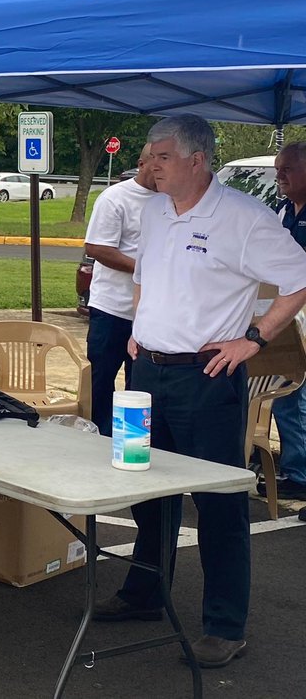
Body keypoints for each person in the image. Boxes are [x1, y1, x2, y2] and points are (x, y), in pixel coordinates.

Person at [93, 115, 306, 669]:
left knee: (217, 502)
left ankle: (224, 625)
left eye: (160, 156)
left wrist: (254, 340)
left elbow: (300, 276)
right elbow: (144, 274)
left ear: (197, 159)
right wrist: (140, 329)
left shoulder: (244, 218)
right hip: (148, 375)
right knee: (145, 487)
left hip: (206, 379)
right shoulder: (155, 210)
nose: (149, 165)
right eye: (147, 156)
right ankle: (144, 593)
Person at [83, 144, 157, 433]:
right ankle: (98, 438)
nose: (161, 169)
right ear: (141, 163)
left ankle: (133, 440)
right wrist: (142, 269)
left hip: (150, 315)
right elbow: (97, 247)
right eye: (157, 161)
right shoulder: (116, 198)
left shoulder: (171, 200)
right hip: (111, 309)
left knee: (139, 387)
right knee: (101, 382)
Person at [268, 142, 306, 502]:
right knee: (287, 392)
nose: (279, 177)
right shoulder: (282, 211)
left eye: (288, 170)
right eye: (278, 170)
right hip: (286, 317)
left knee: (299, 394)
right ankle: (295, 468)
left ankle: (300, 470)